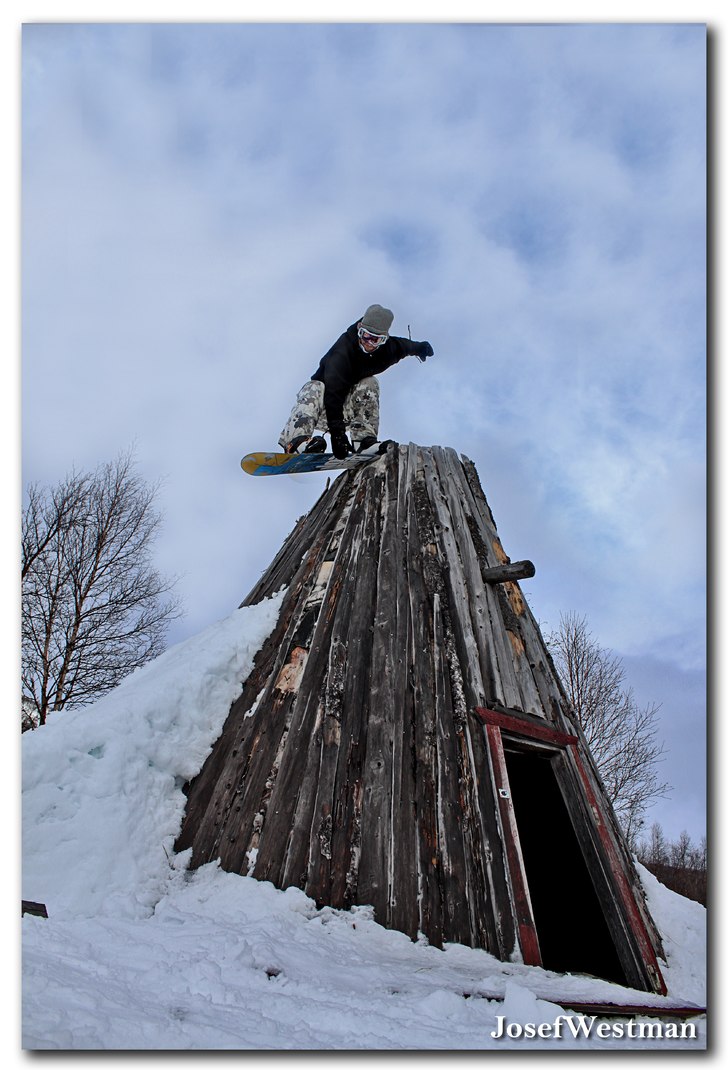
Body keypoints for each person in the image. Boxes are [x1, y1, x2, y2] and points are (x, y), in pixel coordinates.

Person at [278, 304, 434, 459]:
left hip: (349, 411)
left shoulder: (390, 349)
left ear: (384, 340)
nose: (369, 343)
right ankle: (297, 441)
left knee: (370, 382)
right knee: (314, 386)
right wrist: (337, 435)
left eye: (376, 340)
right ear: (359, 328)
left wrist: (421, 348)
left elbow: (406, 346)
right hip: (323, 408)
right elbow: (333, 395)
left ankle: (363, 442)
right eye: (365, 335)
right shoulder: (342, 353)